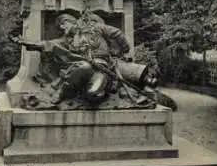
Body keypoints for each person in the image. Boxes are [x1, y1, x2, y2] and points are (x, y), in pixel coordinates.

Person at [17, 11, 156, 106]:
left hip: (103, 68)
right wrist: (28, 43)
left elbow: (118, 33)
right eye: (60, 26)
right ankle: (62, 91)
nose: (61, 27)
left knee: (94, 93)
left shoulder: (96, 27)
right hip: (83, 69)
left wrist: (123, 51)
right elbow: (48, 44)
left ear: (72, 22)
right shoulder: (68, 41)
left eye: (63, 24)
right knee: (84, 67)